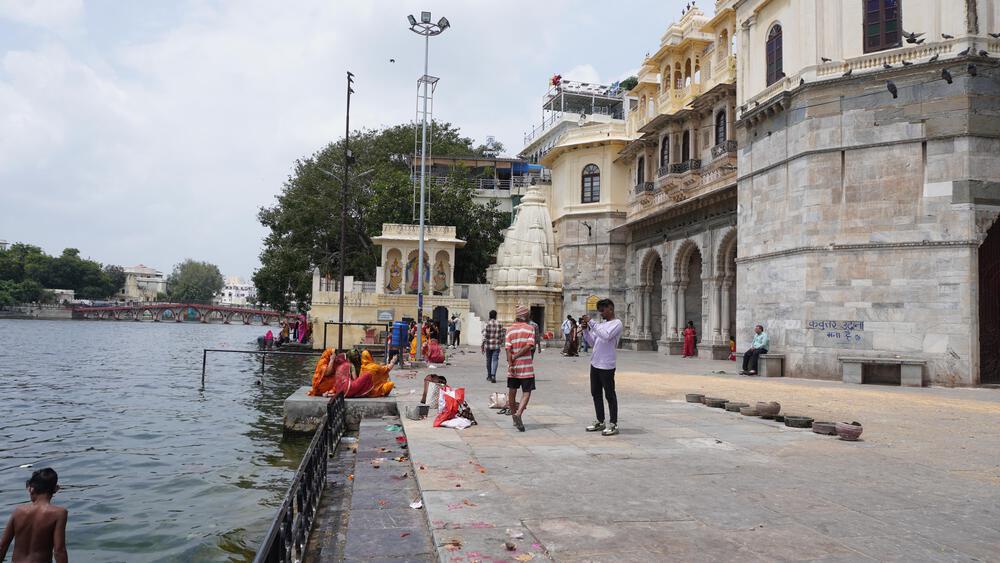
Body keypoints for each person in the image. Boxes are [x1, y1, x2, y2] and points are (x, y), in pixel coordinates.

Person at [0, 467, 68, 563]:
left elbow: (3, 546)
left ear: (31, 489)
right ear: (56, 489)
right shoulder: (59, 513)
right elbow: (59, 551)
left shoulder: (18, 511)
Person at [582, 298, 622, 436]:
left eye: (603, 310)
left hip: (607, 365)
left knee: (609, 395)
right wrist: (586, 331)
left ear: (610, 309)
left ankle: (613, 423)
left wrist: (591, 322)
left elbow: (606, 336)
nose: (601, 313)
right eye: (599, 311)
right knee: (596, 393)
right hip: (595, 363)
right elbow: (593, 342)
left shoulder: (617, 324)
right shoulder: (601, 325)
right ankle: (600, 420)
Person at [505, 305, 536, 432]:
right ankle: (518, 414)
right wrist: (517, 356)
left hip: (513, 367)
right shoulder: (530, 328)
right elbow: (529, 346)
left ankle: (514, 418)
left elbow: (507, 348)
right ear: (526, 315)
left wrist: (511, 362)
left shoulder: (509, 330)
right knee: (526, 392)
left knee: (512, 392)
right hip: (526, 367)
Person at [481, 310, 504, 383]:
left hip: (488, 345)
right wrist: (500, 343)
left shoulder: (487, 324)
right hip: (496, 345)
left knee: (488, 360)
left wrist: (482, 345)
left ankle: (489, 376)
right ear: (496, 315)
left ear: (489, 315)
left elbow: (484, 335)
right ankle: (493, 375)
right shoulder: (499, 324)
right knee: (495, 360)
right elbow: (502, 335)